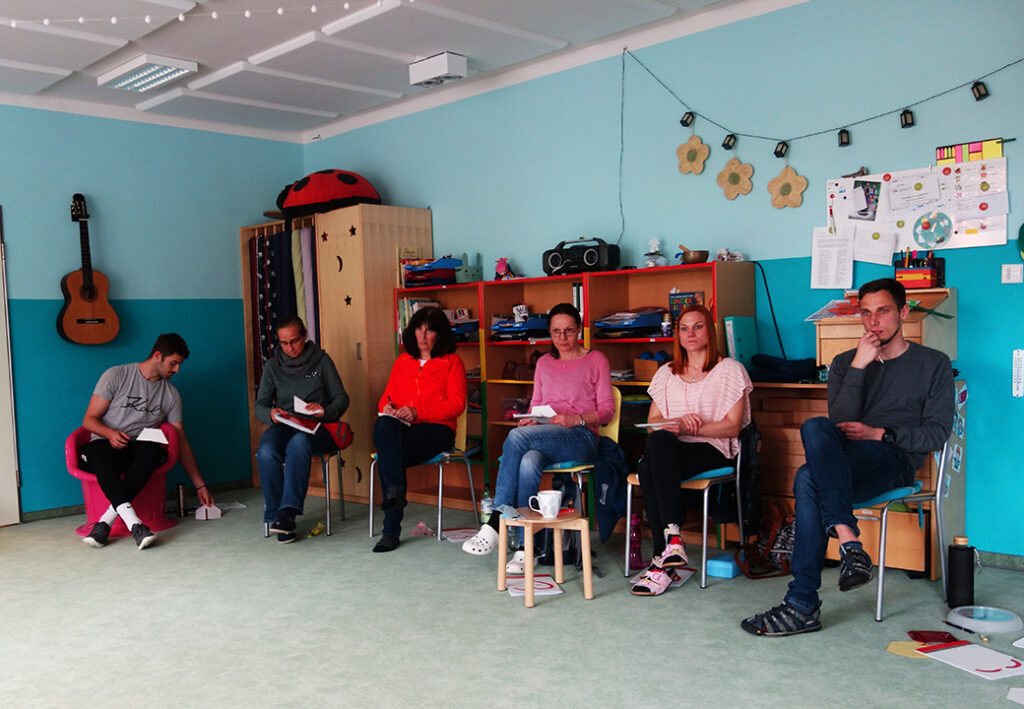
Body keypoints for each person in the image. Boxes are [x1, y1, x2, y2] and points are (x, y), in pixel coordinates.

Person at [742, 278, 953, 636]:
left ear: (903, 313)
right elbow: (839, 423)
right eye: (866, 313)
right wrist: (859, 366)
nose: (874, 322)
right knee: (815, 427)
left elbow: (938, 432)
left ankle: (802, 604)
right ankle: (849, 542)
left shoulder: (934, 364)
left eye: (883, 311)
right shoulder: (845, 363)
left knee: (809, 477)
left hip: (895, 460)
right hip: (846, 460)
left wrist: (880, 433)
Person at [462, 303, 615, 574]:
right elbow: (536, 404)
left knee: (516, 438)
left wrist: (575, 419)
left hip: (581, 436)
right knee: (528, 462)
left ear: (579, 330)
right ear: (550, 334)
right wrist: (532, 418)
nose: (563, 338)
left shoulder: (596, 360)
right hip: (547, 434)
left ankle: (498, 519)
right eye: (556, 332)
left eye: (569, 331)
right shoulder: (544, 363)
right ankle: (525, 549)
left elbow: (606, 411)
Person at [631, 304, 752, 595]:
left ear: (709, 331)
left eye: (698, 326)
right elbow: (653, 423)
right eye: (684, 328)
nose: (691, 333)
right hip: (671, 449)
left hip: (712, 448)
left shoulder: (730, 371)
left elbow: (733, 427)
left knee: (649, 466)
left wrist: (689, 428)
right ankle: (672, 539)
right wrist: (675, 425)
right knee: (657, 442)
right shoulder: (665, 373)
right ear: (677, 334)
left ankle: (662, 560)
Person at [81, 333, 213, 549]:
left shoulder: (171, 394)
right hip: (106, 443)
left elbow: (180, 440)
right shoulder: (116, 375)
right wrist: (110, 433)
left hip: (139, 449)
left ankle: (105, 522)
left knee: (153, 451)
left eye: (180, 364)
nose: (177, 370)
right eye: (173, 363)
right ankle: (136, 525)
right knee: (96, 453)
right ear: (158, 355)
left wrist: (200, 485)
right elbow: (89, 419)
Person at [371, 307, 467, 552]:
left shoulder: (452, 362)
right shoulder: (403, 361)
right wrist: (390, 408)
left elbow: (456, 404)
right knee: (383, 424)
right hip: (402, 430)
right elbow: (385, 398)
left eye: (430, 330)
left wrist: (417, 411)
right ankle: (396, 496)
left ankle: (390, 530)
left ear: (440, 333)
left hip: (437, 430)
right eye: (418, 328)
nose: (422, 335)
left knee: (388, 455)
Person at [255, 315, 349, 543]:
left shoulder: (321, 360)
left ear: (305, 336)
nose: (290, 348)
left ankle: (287, 513)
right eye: (284, 343)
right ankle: (278, 517)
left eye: (295, 341)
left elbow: (341, 398)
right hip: (286, 423)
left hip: (318, 426)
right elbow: (260, 405)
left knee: (299, 443)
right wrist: (270, 414)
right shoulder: (272, 366)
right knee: (266, 450)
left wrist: (324, 411)